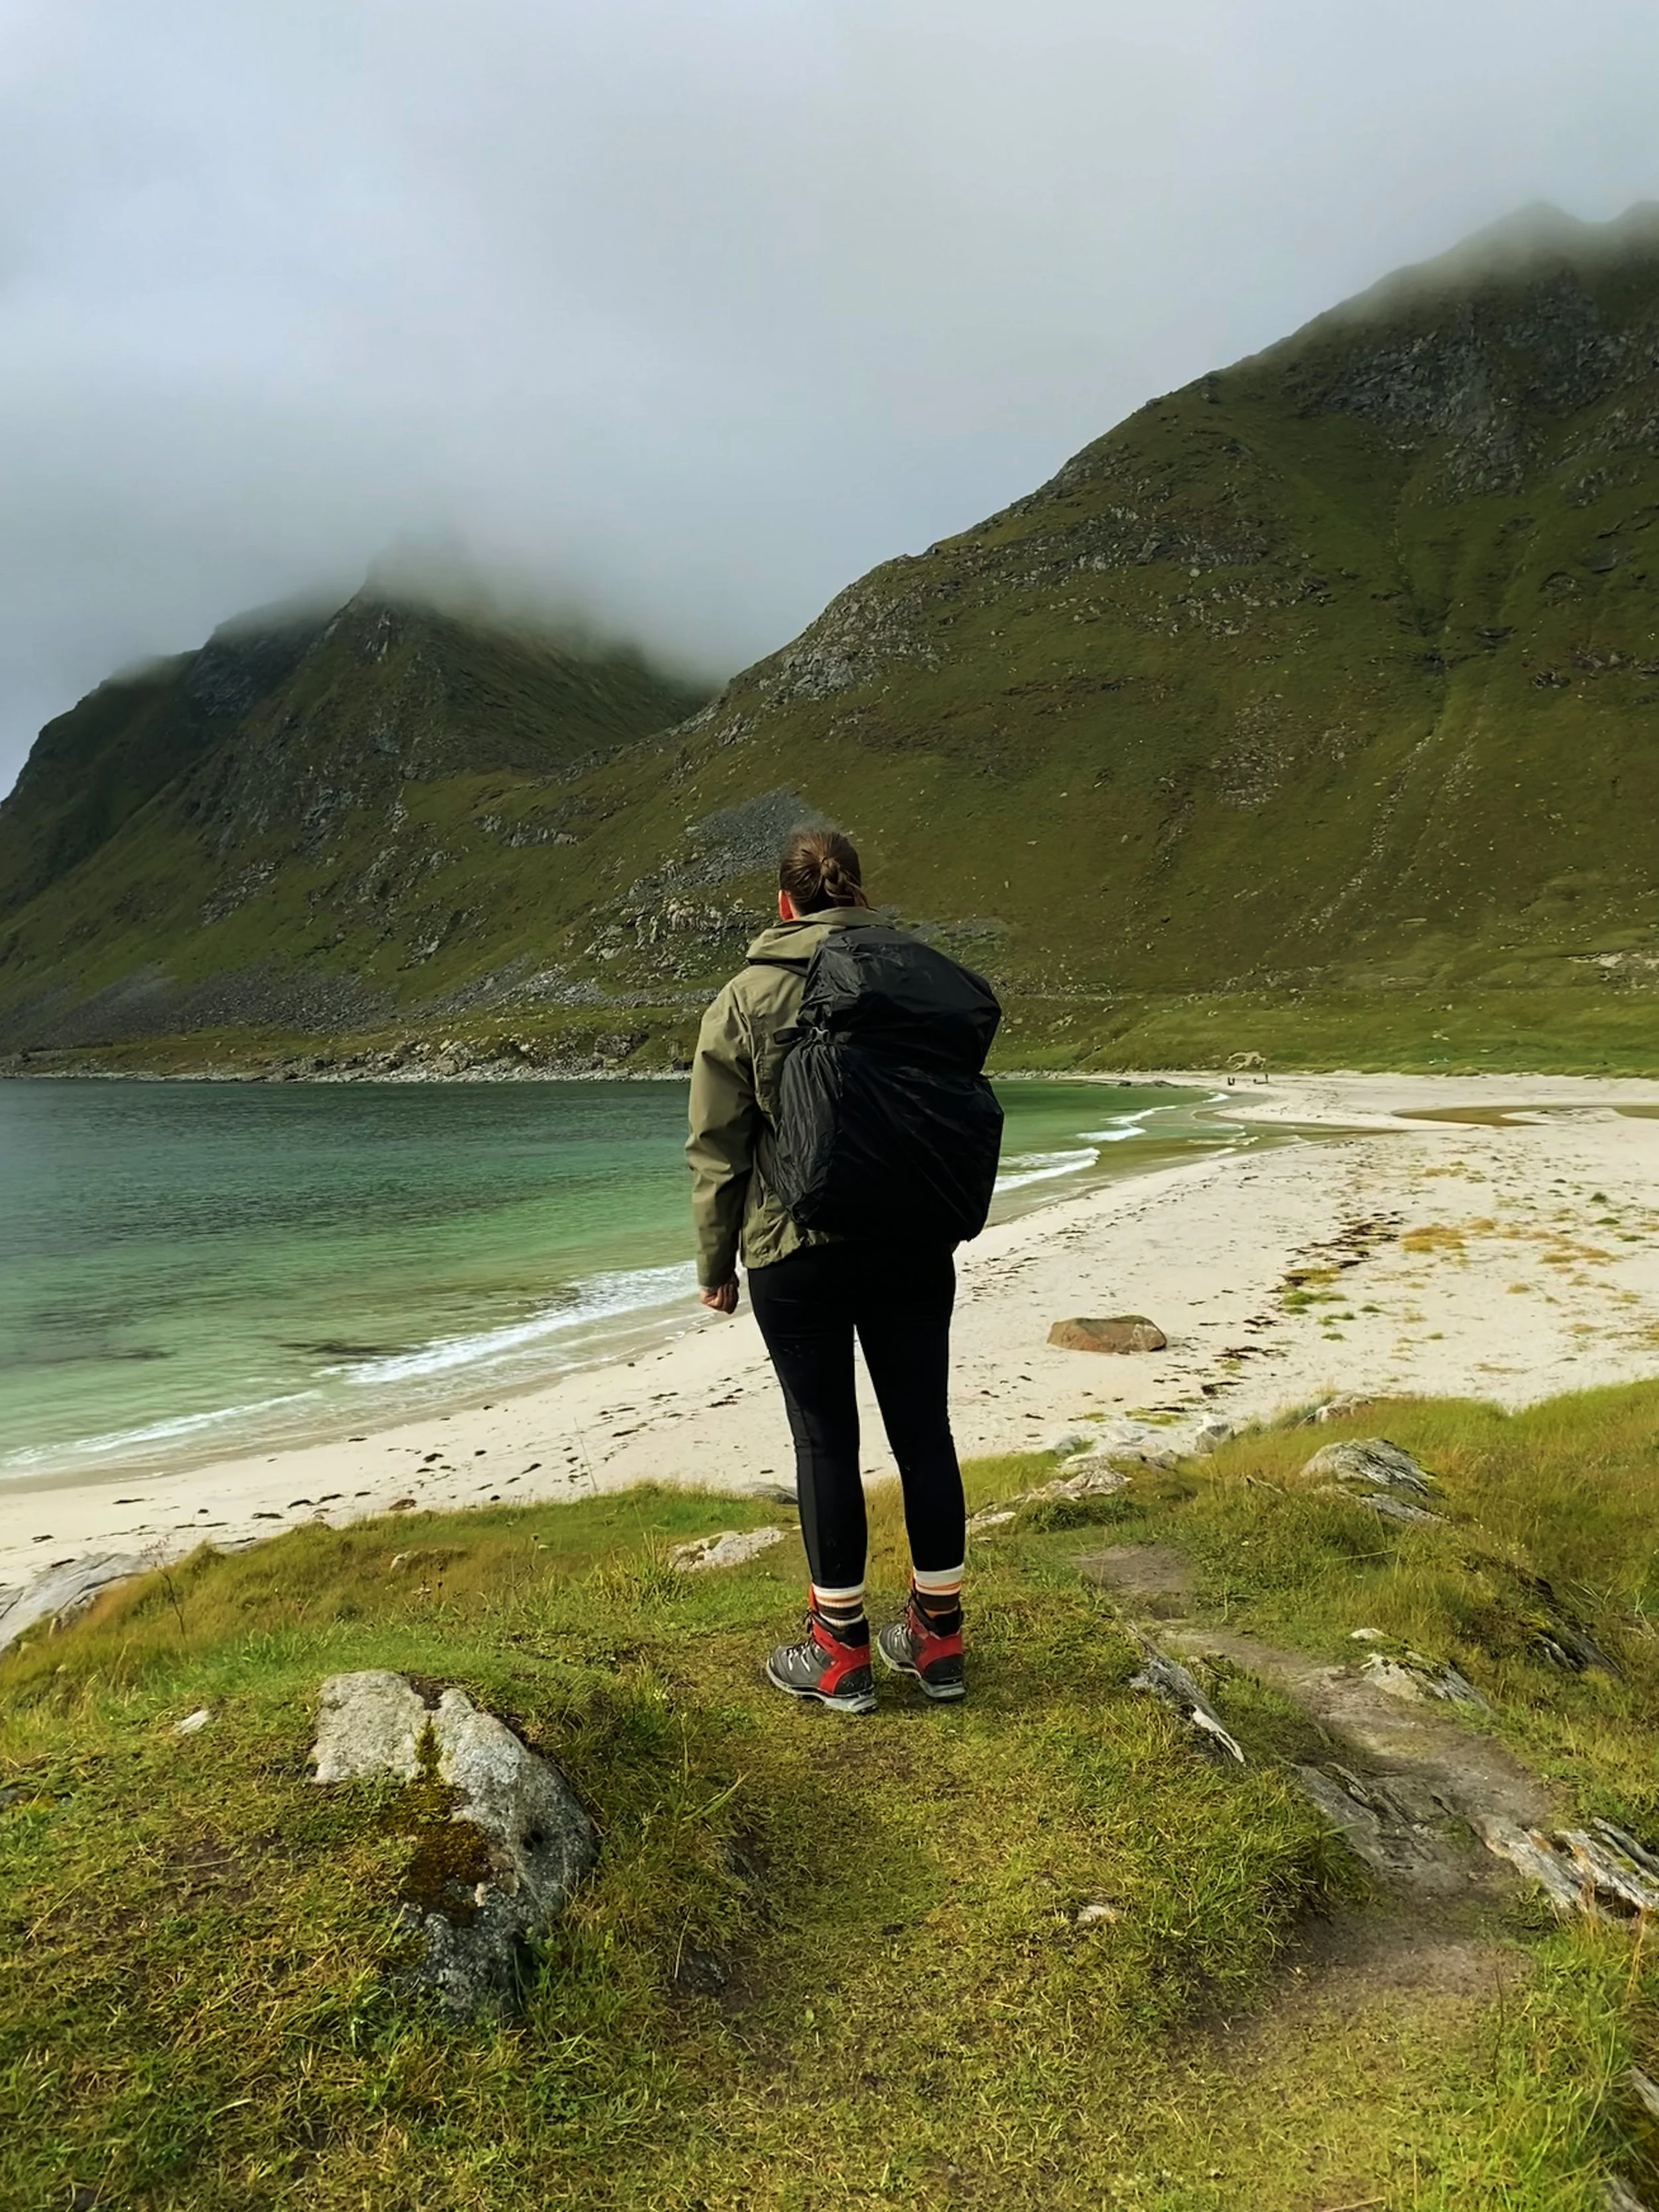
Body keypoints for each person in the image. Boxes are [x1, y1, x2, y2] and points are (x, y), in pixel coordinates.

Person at [685, 828, 968, 1714]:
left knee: (825, 1441)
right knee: (925, 1434)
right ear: (856, 893)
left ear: (783, 903)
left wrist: (716, 1260)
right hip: (912, 1241)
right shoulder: (916, 975)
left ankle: (840, 1655)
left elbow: (718, 1147)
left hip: (794, 1252)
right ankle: (938, 1640)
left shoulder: (746, 996)